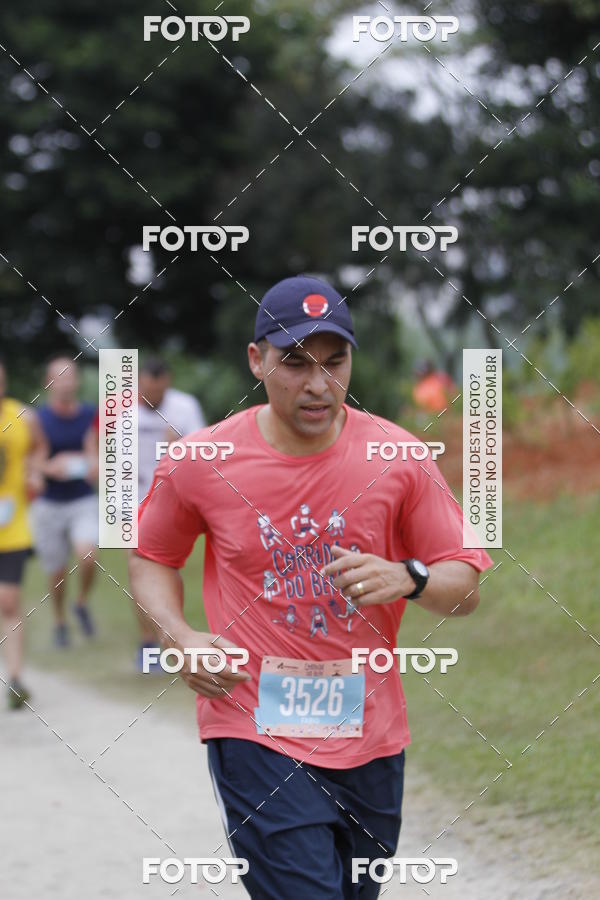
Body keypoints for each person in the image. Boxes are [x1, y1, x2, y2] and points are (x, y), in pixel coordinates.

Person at [129, 275, 493, 899]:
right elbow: (152, 558)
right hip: (252, 726)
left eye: (334, 362)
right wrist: (178, 635)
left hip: (370, 734)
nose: (317, 384)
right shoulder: (201, 460)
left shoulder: (398, 456)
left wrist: (409, 577)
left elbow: (463, 585)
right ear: (257, 360)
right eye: (294, 363)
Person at [135, 357, 206, 669]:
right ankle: (147, 643)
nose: (150, 396)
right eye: (145, 390)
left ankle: (175, 633)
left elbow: (205, 449)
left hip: (175, 498)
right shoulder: (122, 410)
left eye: (157, 390)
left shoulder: (185, 407)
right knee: (140, 568)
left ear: (167, 382)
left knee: (169, 569)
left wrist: (179, 448)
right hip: (134, 498)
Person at [31, 356, 98, 648]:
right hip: (49, 503)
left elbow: (100, 455)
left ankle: (81, 602)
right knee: (57, 570)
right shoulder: (38, 419)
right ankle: (60, 621)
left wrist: (89, 463)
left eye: (70, 376)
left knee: (87, 556)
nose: (66, 383)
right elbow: (30, 462)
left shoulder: (91, 415)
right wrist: (50, 467)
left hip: (82, 498)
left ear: (77, 381)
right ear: (48, 383)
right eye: (59, 377)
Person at [0, 359, 47, 708]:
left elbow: (39, 449)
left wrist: (34, 473)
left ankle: (15, 679)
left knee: (9, 601)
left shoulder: (23, 417)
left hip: (11, 526)